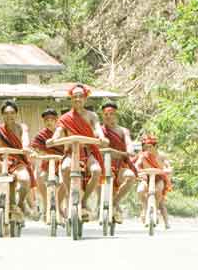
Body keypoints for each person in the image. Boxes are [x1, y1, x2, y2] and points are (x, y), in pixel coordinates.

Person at [47, 84, 109, 220]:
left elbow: (98, 129)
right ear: (71, 99)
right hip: (71, 153)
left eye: (80, 96)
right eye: (75, 97)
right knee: (65, 167)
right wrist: (53, 139)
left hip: (88, 152)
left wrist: (101, 137)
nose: (78, 99)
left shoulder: (92, 116)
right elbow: (58, 132)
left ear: (85, 98)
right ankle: (71, 196)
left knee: (97, 171)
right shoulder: (65, 118)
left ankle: (84, 200)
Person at [0, 100, 37, 222]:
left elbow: (25, 138)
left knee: (24, 180)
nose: (9, 116)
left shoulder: (22, 127)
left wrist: (26, 147)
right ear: (2, 115)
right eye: (6, 113)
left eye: (12, 113)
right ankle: (3, 194)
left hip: (18, 162)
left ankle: (21, 203)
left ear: (16, 114)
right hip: (2, 163)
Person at [100, 102, 138, 223]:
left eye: (111, 114)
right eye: (106, 114)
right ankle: (106, 207)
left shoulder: (123, 130)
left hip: (120, 164)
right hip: (103, 164)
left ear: (116, 115)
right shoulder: (99, 131)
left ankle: (114, 203)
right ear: (103, 116)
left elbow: (128, 143)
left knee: (130, 177)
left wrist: (130, 150)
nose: (108, 116)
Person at [30, 108, 66, 220]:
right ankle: (46, 203)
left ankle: (59, 205)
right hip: (47, 164)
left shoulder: (63, 132)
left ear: (56, 120)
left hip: (61, 162)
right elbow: (35, 149)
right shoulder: (41, 135)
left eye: (51, 119)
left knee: (64, 181)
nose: (49, 122)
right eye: (46, 120)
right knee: (40, 178)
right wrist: (34, 154)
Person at [135, 135, 172, 229]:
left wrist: (168, 170)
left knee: (159, 196)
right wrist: (138, 171)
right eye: (146, 146)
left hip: (159, 178)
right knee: (140, 190)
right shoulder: (143, 156)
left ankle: (164, 220)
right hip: (146, 178)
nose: (147, 148)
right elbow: (137, 165)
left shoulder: (162, 156)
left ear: (156, 146)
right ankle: (145, 207)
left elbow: (168, 166)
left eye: (150, 146)